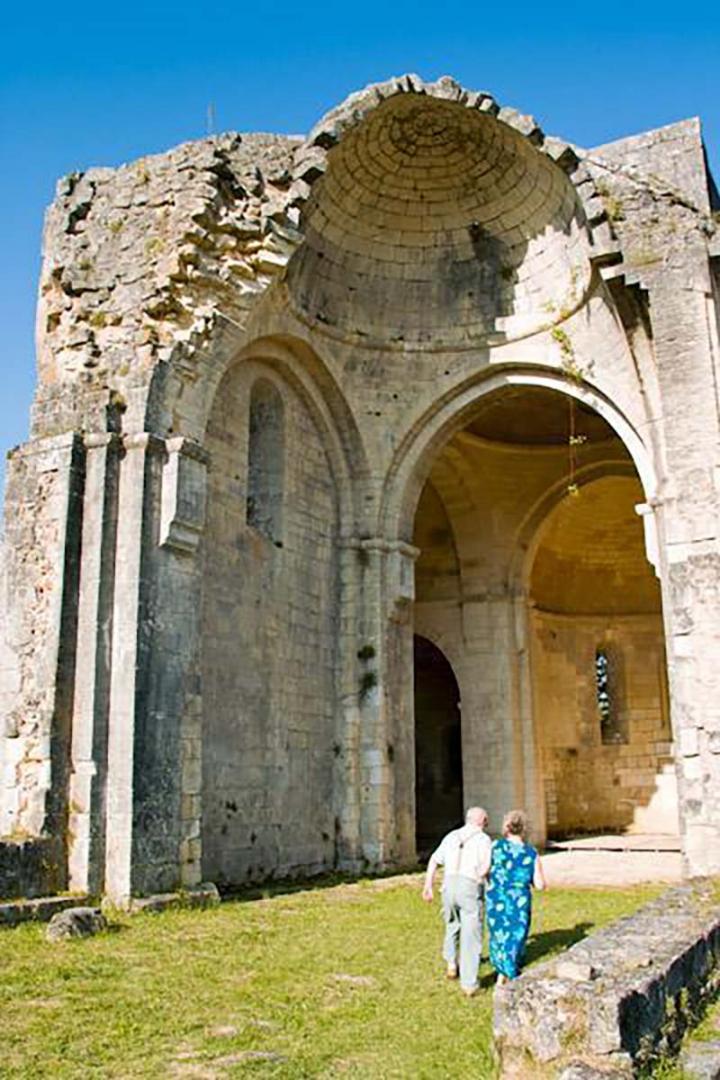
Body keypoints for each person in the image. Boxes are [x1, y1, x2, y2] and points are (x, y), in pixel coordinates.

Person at [422, 806, 492, 997]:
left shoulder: (452, 836)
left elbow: (434, 860)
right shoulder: (483, 839)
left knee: (452, 923)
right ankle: (469, 983)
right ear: (483, 821)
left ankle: (451, 963)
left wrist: (428, 885)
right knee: (472, 933)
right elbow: (486, 866)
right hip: (469, 885)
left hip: (448, 885)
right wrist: (481, 877)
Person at [486, 809, 546, 986]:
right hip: (519, 898)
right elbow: (540, 884)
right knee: (516, 933)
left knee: (498, 932)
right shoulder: (530, 853)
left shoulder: (496, 846)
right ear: (525, 829)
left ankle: (502, 969)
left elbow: (484, 869)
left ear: (506, 827)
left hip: (497, 895)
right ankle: (509, 970)